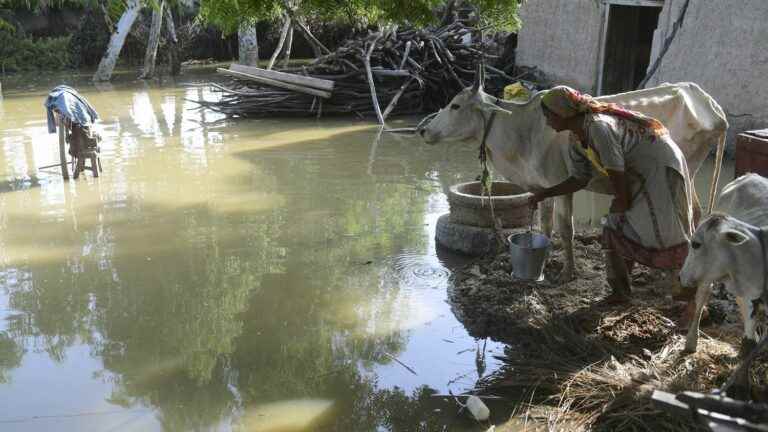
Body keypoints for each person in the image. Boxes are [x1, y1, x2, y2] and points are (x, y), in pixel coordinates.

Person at [528, 86, 695, 308]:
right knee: (614, 229)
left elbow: (616, 170)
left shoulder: (598, 127)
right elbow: (580, 179)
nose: (547, 122)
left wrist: (623, 202)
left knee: (668, 235)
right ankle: (621, 293)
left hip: (659, 165)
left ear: (563, 113)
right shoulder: (576, 139)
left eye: (548, 116)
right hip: (637, 172)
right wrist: (544, 194)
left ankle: (690, 303)